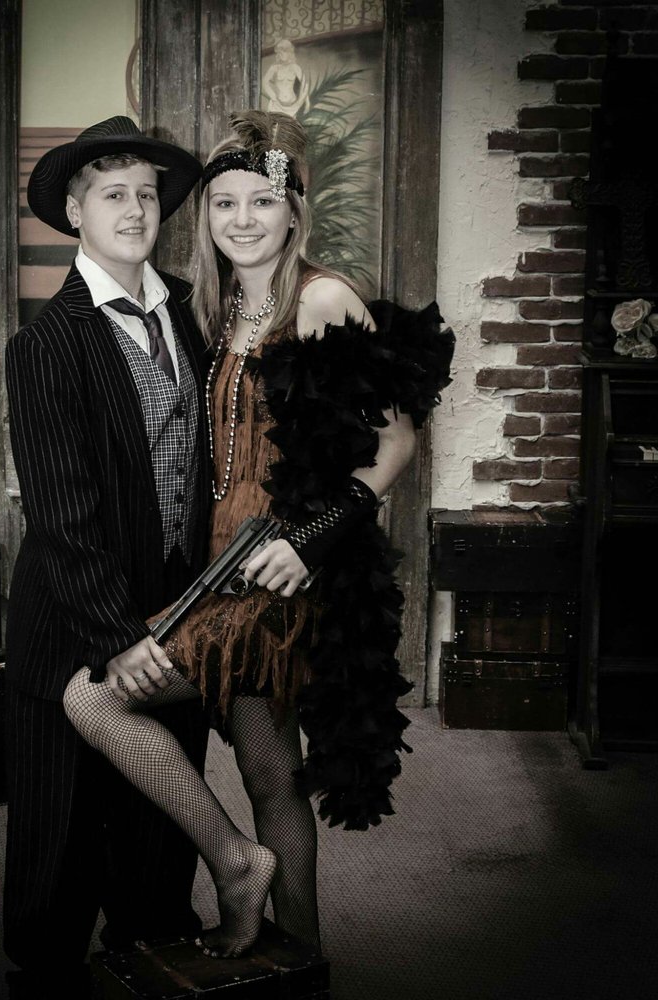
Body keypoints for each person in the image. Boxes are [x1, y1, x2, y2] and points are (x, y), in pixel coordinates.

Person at [63, 111, 454, 961]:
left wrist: (312, 540)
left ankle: (235, 861)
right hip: (222, 567)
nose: (242, 220)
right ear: (204, 213)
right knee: (271, 775)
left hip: (278, 576)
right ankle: (302, 958)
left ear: (294, 209)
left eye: (263, 202)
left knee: (93, 698)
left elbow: (395, 440)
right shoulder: (217, 304)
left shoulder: (320, 299)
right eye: (224, 203)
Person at [3, 116, 210, 999]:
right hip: (73, 623)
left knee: (158, 829)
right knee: (60, 840)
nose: (135, 210)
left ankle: (151, 947)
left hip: (176, 607)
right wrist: (118, 636)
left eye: (147, 194)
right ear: (75, 212)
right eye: (113, 195)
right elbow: (61, 512)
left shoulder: (187, 315)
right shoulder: (45, 344)